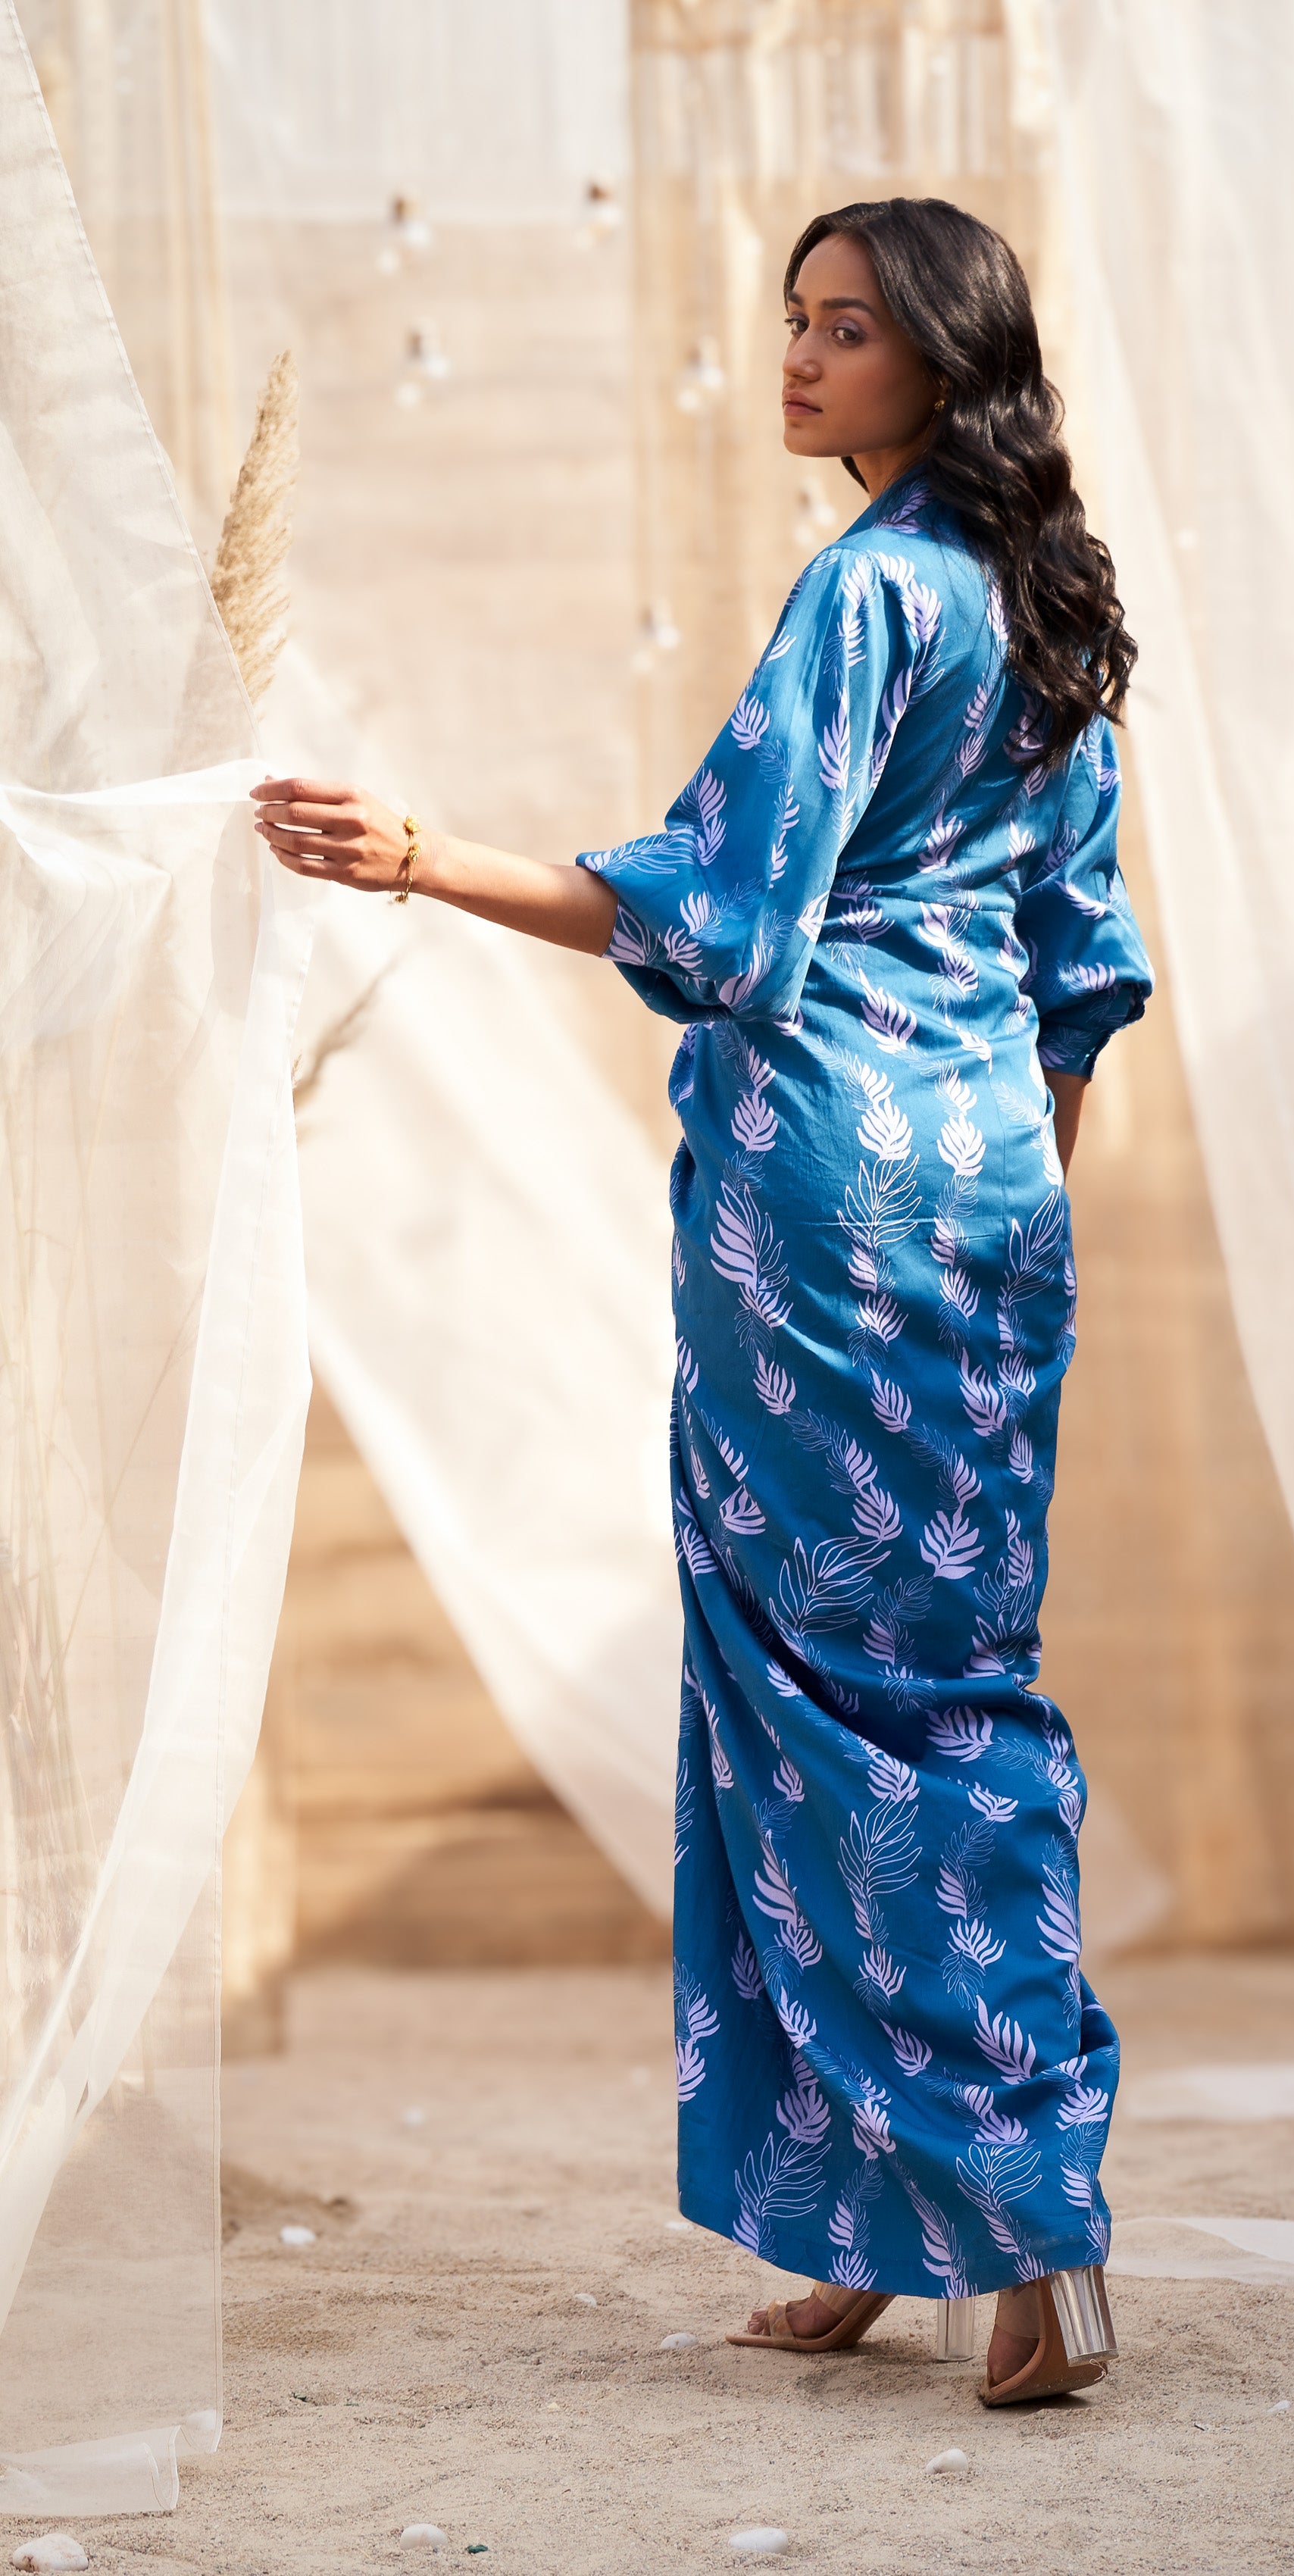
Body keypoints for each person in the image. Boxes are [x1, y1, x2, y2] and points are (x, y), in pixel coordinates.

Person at [254, 195, 1152, 2407]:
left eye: (848, 329)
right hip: (989, 1203)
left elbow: (722, 917)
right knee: (935, 1682)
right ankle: (887, 2220)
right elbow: (1081, 975)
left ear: (942, 359)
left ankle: (1023, 2223)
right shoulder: (1045, 604)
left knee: (815, 1698)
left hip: (824, 1213)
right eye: (795, 319)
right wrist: (1011, 1205)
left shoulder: (873, 592)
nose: (800, 358)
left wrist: (417, 856)